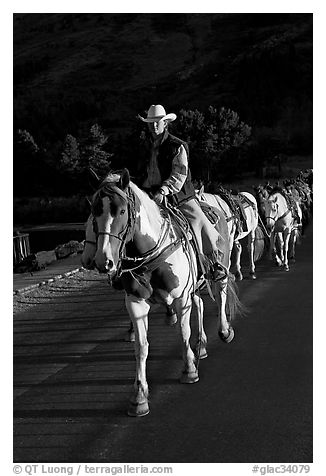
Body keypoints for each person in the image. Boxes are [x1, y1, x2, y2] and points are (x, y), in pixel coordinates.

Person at [134, 104, 229, 281]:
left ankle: (212, 263)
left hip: (178, 196)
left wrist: (164, 190)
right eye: (151, 123)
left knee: (198, 220)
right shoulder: (144, 147)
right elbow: (142, 172)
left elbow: (179, 173)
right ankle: (125, 267)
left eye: (158, 122)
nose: (154, 126)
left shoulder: (177, 146)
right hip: (150, 196)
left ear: (165, 123)